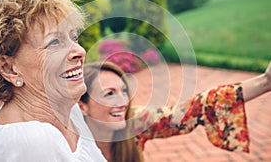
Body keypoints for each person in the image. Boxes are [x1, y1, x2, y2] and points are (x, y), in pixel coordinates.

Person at [0, 0, 107, 161]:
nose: (80, 51)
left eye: (73, 37)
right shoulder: (29, 142)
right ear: (8, 68)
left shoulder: (67, 108)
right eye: (54, 43)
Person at [78, 61, 271, 162]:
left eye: (124, 90)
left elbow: (196, 109)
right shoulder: (67, 145)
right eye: (110, 94)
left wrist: (265, 82)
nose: (123, 102)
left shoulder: (136, 122)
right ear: (82, 106)